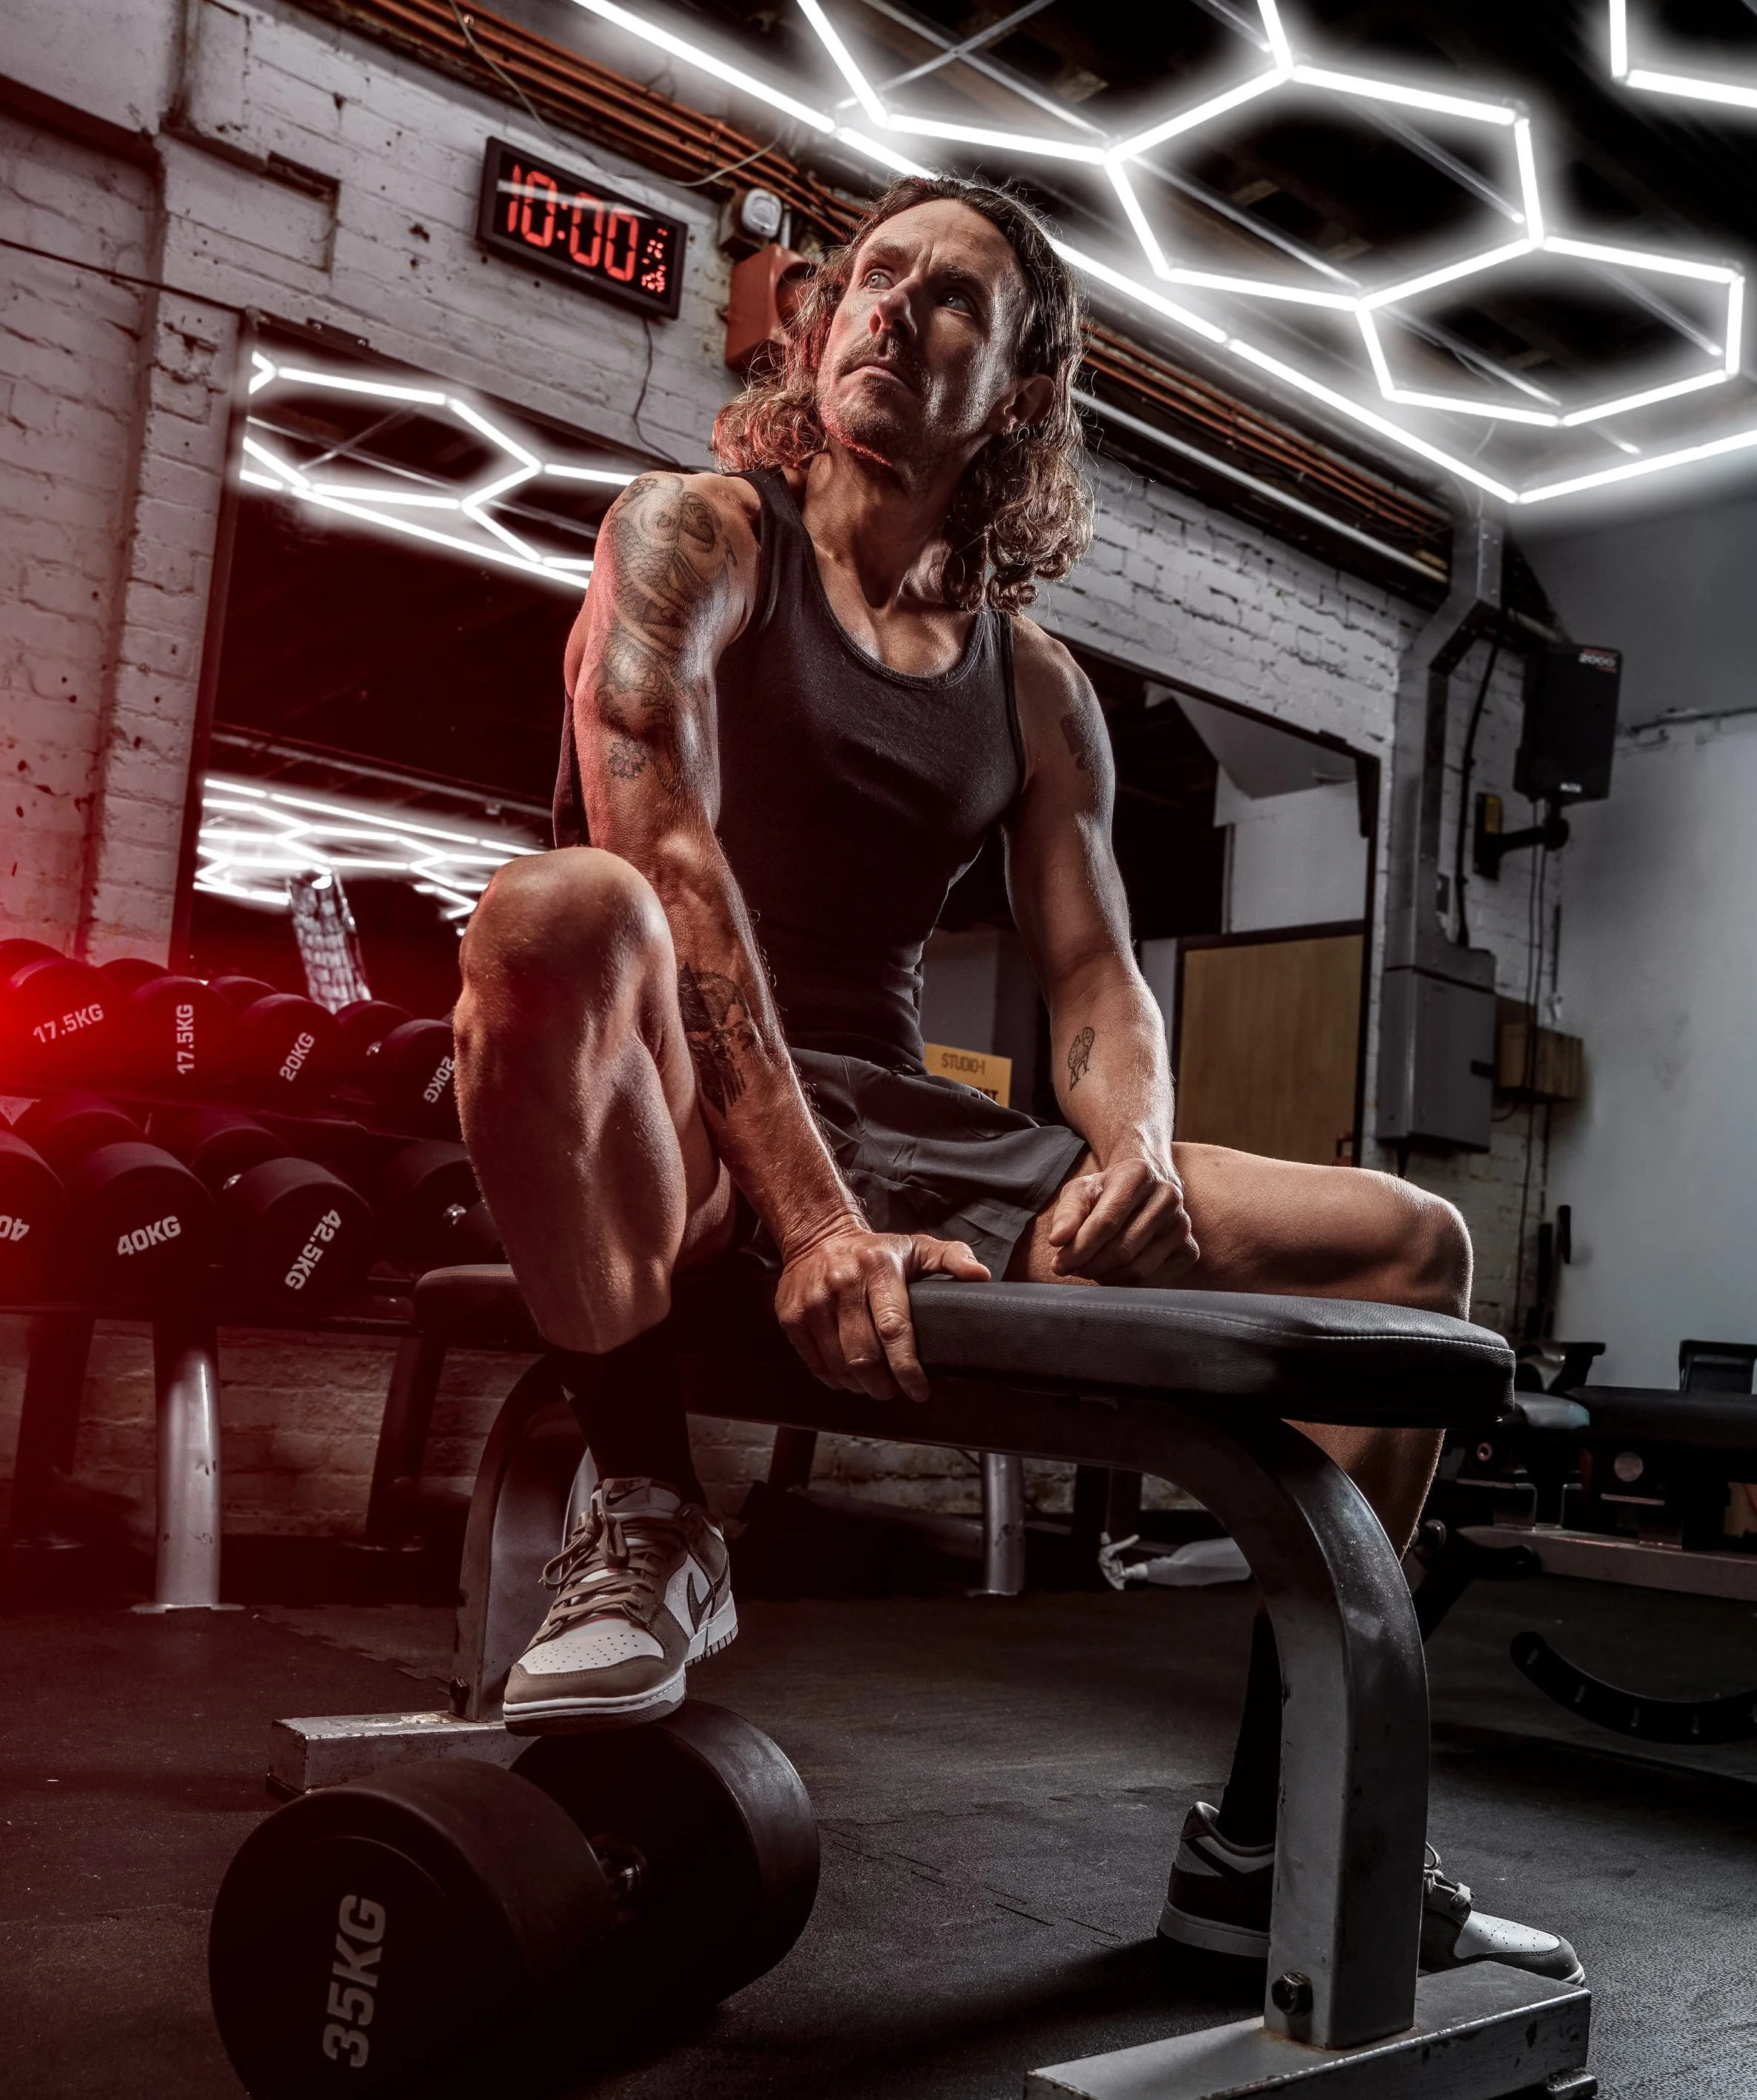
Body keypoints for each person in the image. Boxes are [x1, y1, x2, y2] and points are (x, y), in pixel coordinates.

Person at [455, 173, 1579, 1987]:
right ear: (813, 331)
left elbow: (1090, 973)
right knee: (556, 912)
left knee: (1412, 1246)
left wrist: (1125, 1137)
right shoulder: (696, 538)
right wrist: (816, 1220)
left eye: (953, 300)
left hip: (910, 1131)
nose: (895, 310)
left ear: (1022, 394)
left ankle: (1271, 1838)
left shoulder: (1035, 686)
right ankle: (654, 1512)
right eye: (872, 279)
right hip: (674, 1118)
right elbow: (664, 864)